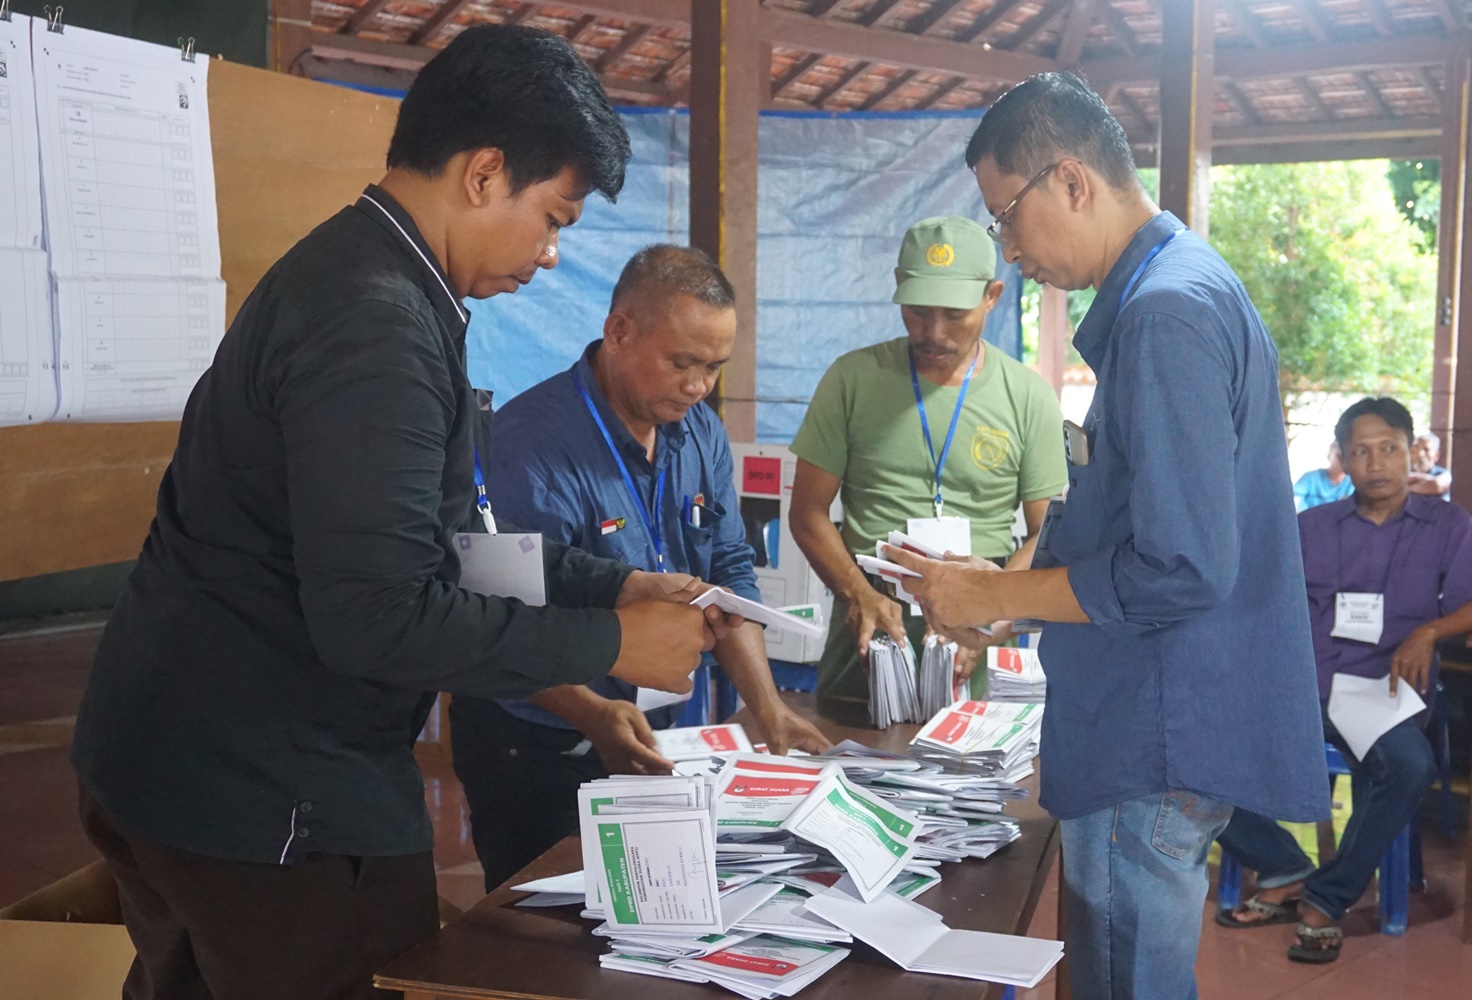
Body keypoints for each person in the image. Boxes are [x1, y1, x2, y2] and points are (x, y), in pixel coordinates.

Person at [69, 27, 735, 1000]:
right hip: (263, 794)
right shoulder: (375, 323)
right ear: (483, 173)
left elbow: (455, 548)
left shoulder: (379, 284)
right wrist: (608, 642)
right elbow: (379, 616)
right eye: (551, 218)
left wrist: (609, 582)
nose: (551, 258)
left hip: (180, 760)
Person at [881, 72, 1327, 1000]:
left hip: (1151, 727)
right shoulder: (1176, 287)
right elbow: (1126, 516)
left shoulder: (1165, 313)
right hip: (1155, 715)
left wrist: (997, 596)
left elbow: (1179, 564)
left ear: (1071, 181)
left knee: (1123, 983)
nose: (1007, 246)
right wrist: (992, 591)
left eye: (1006, 215)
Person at [457, 245, 833, 890]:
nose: (698, 386)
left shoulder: (699, 432)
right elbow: (492, 625)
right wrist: (592, 712)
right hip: (539, 740)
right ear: (620, 330)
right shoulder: (531, 448)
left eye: (714, 367)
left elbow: (728, 568)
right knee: (542, 941)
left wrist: (766, 707)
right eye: (682, 363)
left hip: (658, 733)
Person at [1216, 397, 1472, 963]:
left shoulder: (1448, 524)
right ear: (1342, 460)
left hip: (1384, 692)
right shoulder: (1309, 527)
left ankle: (1327, 897)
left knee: (1409, 766)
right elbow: (1255, 601)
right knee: (1186, 746)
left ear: (1411, 453)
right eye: (1361, 452)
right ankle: (1282, 865)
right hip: (1300, 686)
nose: (1376, 464)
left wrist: (1429, 632)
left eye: (1389, 450)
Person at [788, 215, 1068, 722]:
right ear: (898, 288)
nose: (933, 332)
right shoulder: (852, 380)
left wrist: (995, 609)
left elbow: (1045, 533)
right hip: (863, 651)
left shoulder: (1028, 397)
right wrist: (859, 594)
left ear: (993, 296)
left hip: (972, 657)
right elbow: (806, 513)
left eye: (955, 314)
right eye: (917, 311)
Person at [1294, 441, 1354, 511]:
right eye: (1338, 456)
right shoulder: (1310, 478)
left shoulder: (1353, 483)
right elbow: (1294, 499)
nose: (1342, 460)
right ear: (1329, 456)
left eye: (1346, 456)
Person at [1409, 431, 1452, 501]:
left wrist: (1402, 488)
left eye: (1426, 450)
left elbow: (1437, 485)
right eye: (1416, 449)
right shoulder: (1402, 473)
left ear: (1436, 456)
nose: (1420, 454)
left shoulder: (1444, 475)